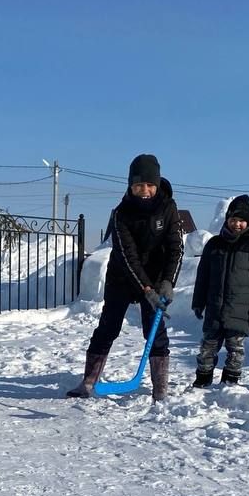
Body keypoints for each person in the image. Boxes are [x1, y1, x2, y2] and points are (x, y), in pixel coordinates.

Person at [66, 153, 183, 401]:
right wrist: (146, 290)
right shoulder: (121, 214)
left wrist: (167, 282)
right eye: (139, 184)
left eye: (150, 185)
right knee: (108, 327)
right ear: (130, 185)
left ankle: (160, 387)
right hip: (122, 276)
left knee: (155, 329)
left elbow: (176, 248)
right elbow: (128, 257)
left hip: (156, 275)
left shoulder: (169, 209)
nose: (145, 190)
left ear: (158, 184)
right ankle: (88, 382)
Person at [190, 194, 249, 387]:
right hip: (215, 308)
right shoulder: (214, 244)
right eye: (233, 219)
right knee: (207, 348)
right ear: (227, 220)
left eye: (242, 221)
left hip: (240, 311)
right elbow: (203, 276)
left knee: (235, 350)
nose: (237, 224)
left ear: (248, 223)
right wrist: (198, 302)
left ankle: (230, 383)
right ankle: (202, 381)